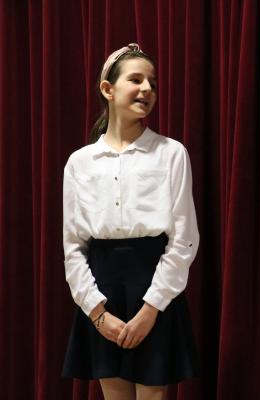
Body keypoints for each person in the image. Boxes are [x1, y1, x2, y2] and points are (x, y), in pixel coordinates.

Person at [62, 43, 200, 399]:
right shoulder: (80, 163)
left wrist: (151, 308)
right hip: (103, 290)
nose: (147, 89)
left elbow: (184, 239)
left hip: (155, 287)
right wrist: (97, 312)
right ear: (108, 89)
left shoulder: (171, 154)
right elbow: (73, 247)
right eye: (136, 80)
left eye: (152, 82)